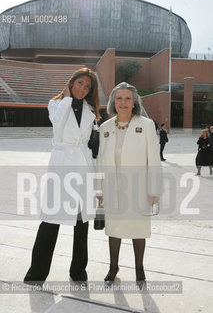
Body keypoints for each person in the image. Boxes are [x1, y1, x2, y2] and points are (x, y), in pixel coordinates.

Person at [24, 67, 100, 285]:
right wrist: (66, 99)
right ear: (71, 82)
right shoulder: (56, 104)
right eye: (80, 83)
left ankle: (78, 271)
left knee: (81, 223)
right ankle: (36, 275)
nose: (83, 89)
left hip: (84, 167)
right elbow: (57, 122)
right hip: (62, 165)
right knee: (50, 221)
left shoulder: (91, 110)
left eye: (87, 86)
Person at [97, 82, 161, 285]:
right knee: (114, 230)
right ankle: (113, 267)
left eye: (127, 98)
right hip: (112, 189)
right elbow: (100, 161)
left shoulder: (147, 125)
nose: (123, 102)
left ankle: (139, 268)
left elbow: (154, 160)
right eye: (119, 98)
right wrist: (98, 190)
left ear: (134, 102)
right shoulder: (105, 127)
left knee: (138, 229)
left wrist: (154, 190)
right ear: (112, 102)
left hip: (138, 188)